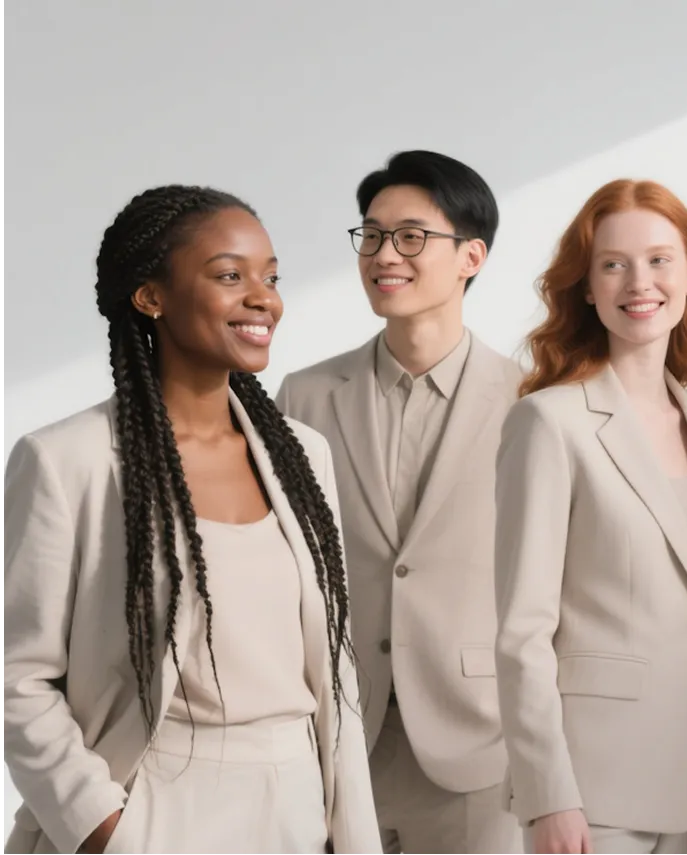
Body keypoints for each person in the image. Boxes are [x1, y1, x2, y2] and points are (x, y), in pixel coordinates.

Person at [2, 186, 381, 855]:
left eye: (269, 276)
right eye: (230, 275)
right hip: (156, 804)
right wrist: (103, 828)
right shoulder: (67, 460)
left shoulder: (302, 457)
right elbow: (15, 676)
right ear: (151, 297)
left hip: (295, 804)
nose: (263, 297)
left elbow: (334, 671)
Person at [493, 178, 687, 855]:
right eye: (611, 263)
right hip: (594, 793)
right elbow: (522, 631)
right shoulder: (548, 421)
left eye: (658, 259)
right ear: (585, 286)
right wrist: (547, 794)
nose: (637, 281)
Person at [276, 151, 523, 855]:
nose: (385, 254)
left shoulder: (531, 402)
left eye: (411, 236)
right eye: (372, 234)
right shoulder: (305, 396)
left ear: (471, 255)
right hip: (338, 734)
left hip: (480, 740)